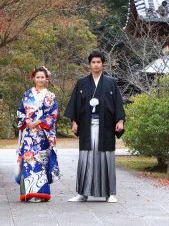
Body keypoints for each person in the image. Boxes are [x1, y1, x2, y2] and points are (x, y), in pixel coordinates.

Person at [64, 50, 125, 203]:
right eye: (93, 62)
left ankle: (109, 193)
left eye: (99, 62)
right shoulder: (82, 82)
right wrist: (74, 121)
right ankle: (82, 193)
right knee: (86, 158)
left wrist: (120, 120)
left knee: (106, 158)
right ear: (90, 64)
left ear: (102, 64)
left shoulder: (110, 82)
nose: (96, 64)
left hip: (105, 126)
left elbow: (117, 102)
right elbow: (76, 103)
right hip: (87, 125)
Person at [15, 66, 60, 202]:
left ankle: (41, 193)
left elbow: (53, 113)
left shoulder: (50, 96)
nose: (40, 79)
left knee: (42, 162)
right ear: (33, 78)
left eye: (42, 77)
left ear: (47, 79)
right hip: (29, 133)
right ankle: (29, 193)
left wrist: (39, 121)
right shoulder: (27, 94)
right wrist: (27, 119)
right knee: (29, 162)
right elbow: (20, 111)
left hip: (43, 134)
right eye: (37, 77)